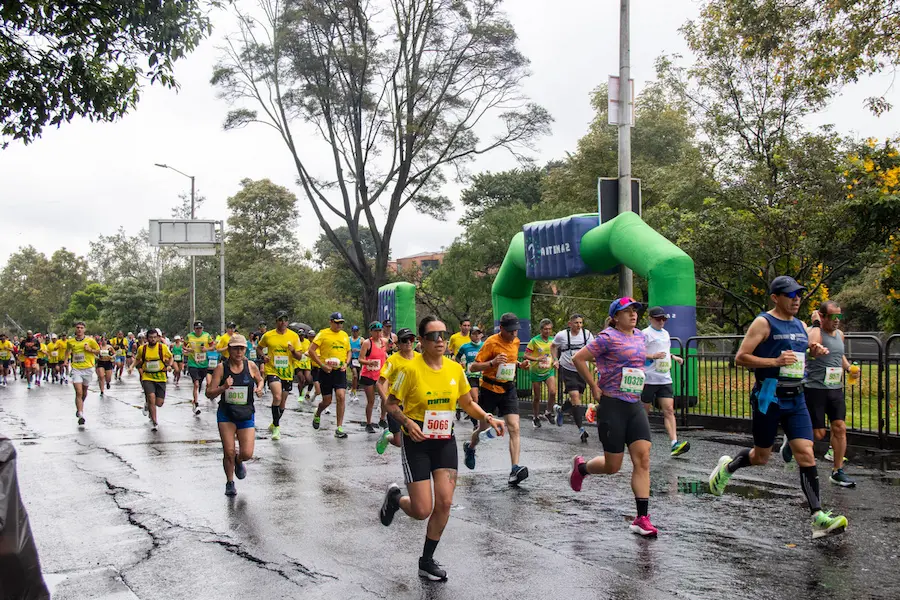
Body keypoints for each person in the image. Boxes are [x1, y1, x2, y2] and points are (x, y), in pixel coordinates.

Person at [707, 276, 848, 539]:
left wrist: (813, 348)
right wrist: (775, 361)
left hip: (796, 398)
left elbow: (798, 349)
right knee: (761, 457)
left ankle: (817, 516)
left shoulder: (800, 324)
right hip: (769, 396)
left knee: (806, 452)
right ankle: (728, 467)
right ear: (775, 297)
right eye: (790, 295)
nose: (796, 299)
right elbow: (740, 357)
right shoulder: (763, 322)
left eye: (799, 294)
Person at [379, 315, 506, 581]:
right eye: (433, 336)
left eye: (443, 335)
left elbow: (467, 404)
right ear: (422, 341)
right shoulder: (409, 370)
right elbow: (391, 404)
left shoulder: (454, 369)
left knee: (445, 502)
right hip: (417, 443)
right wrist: (406, 423)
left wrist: (488, 418)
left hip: (444, 441)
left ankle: (426, 560)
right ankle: (395, 500)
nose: (440, 340)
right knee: (422, 509)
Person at [569, 298, 658, 537]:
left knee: (643, 459)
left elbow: (636, 359)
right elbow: (578, 358)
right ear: (615, 317)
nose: (633, 315)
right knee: (613, 466)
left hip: (634, 404)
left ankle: (642, 518)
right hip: (612, 405)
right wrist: (594, 387)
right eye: (627, 312)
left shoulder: (640, 336)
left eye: (635, 311)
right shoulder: (606, 338)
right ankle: (582, 468)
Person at [464, 312, 531, 485]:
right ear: (501, 328)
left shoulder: (515, 342)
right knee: (484, 429)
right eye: (510, 331)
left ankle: (514, 469)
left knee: (514, 427)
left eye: (516, 331)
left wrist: (520, 365)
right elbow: (474, 366)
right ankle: (470, 448)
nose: (514, 334)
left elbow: (511, 360)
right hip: (489, 388)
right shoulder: (491, 342)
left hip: (508, 388)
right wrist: (492, 363)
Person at [206, 334, 264, 497]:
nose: (239, 352)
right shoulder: (221, 368)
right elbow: (209, 393)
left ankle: (239, 462)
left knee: (247, 453)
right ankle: (230, 482)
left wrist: (259, 388)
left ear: (245, 349)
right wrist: (223, 387)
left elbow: (260, 380)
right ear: (229, 350)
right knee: (229, 450)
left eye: (241, 348)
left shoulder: (251, 365)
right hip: (226, 414)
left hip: (246, 413)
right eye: (235, 348)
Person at [806, 301, 856, 487]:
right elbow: (811, 343)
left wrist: (849, 367)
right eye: (833, 316)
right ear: (822, 316)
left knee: (840, 427)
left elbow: (839, 355)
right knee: (818, 434)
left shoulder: (840, 335)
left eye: (839, 316)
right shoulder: (816, 332)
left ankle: (838, 471)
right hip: (815, 387)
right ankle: (791, 438)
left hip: (835, 387)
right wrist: (815, 323)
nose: (837, 320)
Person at [640, 307, 689, 457]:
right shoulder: (645, 333)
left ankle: (674, 443)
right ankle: (640, 440)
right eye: (658, 319)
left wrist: (674, 357)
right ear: (650, 318)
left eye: (664, 319)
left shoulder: (666, 334)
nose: (661, 322)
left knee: (669, 410)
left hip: (664, 378)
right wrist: (652, 356)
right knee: (643, 412)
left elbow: (665, 351)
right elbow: (638, 353)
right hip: (648, 378)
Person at [257, 311, 304, 440]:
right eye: (280, 320)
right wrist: (264, 356)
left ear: (287, 321)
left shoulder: (293, 336)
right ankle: (277, 428)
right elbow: (259, 348)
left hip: (287, 372)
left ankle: (274, 422)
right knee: (277, 396)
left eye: (285, 320)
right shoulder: (268, 335)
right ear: (276, 321)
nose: (283, 322)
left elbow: (299, 357)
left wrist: (293, 350)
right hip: (272, 370)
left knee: (282, 403)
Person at [551, 313, 595, 442]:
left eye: (581, 323)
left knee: (576, 400)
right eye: (576, 323)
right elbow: (553, 346)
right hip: (567, 369)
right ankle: (581, 429)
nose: (579, 325)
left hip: (582, 371)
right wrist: (555, 360)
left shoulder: (587, 335)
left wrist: (596, 362)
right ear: (570, 324)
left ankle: (560, 409)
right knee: (575, 398)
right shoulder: (562, 335)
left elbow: (593, 351)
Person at [376, 327, 418, 454]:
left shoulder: (420, 358)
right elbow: (380, 382)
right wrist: (386, 401)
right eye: (405, 340)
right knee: (399, 442)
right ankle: (387, 436)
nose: (409, 343)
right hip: (396, 403)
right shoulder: (393, 360)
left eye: (411, 339)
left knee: (415, 436)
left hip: (414, 404)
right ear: (398, 344)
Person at [310, 312, 352, 438]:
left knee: (341, 396)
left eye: (341, 323)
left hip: (339, 371)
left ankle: (339, 427)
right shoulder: (323, 334)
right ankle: (318, 413)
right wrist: (322, 365)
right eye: (337, 322)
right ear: (331, 322)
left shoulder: (344, 336)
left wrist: (346, 363)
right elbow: (311, 350)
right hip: (326, 371)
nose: (340, 325)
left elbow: (348, 351)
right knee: (326, 401)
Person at [135, 328, 174, 432]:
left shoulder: (163, 348)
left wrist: (169, 366)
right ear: (147, 338)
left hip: (160, 377)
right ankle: (154, 421)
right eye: (151, 337)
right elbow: (137, 359)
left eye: (154, 337)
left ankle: (148, 404)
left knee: (159, 403)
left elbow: (171, 357)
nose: (153, 339)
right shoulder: (142, 349)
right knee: (151, 397)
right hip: (147, 377)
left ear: (157, 338)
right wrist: (131, 367)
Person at [524, 319, 558, 428]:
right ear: (541, 330)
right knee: (537, 397)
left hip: (549, 370)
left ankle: (548, 412)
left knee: (553, 392)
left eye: (549, 329)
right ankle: (535, 417)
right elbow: (525, 355)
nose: (547, 331)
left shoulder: (553, 340)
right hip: (536, 372)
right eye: (545, 329)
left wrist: (556, 360)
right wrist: (537, 358)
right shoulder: (534, 341)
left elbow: (554, 353)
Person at [66, 322, 101, 425]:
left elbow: (99, 351)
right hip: (76, 368)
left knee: (84, 392)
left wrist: (89, 350)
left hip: (88, 368)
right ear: (75, 329)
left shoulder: (90, 340)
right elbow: (67, 351)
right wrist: (65, 361)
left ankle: (79, 406)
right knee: (79, 391)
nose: (79, 329)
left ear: (84, 329)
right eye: (78, 328)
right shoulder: (70, 341)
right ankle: (81, 414)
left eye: (81, 328)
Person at [359, 321, 388, 432]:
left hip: (381, 375)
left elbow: (385, 353)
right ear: (371, 332)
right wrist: (368, 363)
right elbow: (360, 359)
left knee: (385, 398)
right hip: (369, 375)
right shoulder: (367, 343)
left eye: (380, 331)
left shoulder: (384, 342)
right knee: (371, 400)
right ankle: (368, 423)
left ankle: (382, 419)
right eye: (375, 331)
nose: (378, 333)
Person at [454, 327, 485, 424]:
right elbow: (457, 357)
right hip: (471, 375)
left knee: (483, 398)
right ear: (470, 335)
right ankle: (475, 423)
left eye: (478, 334)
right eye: (474, 334)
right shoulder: (465, 347)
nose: (476, 336)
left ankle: (481, 417)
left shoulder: (485, 346)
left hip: (483, 375)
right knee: (475, 398)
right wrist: (460, 364)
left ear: (481, 335)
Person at [185, 321, 213, 415]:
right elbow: (183, 346)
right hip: (193, 363)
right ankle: (196, 404)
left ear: (203, 329)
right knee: (196, 384)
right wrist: (188, 349)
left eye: (200, 328)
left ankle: (195, 399)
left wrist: (207, 349)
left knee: (200, 384)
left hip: (203, 364)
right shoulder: (189, 336)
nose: (199, 330)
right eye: (197, 328)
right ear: (194, 329)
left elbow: (213, 346)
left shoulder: (207, 336)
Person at [349, 325, 363, 400]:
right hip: (351, 359)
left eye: (356, 331)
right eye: (354, 331)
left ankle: (353, 390)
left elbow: (365, 349)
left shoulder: (361, 340)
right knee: (355, 375)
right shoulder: (349, 339)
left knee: (357, 376)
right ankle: (354, 392)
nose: (355, 333)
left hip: (358, 360)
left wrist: (358, 350)